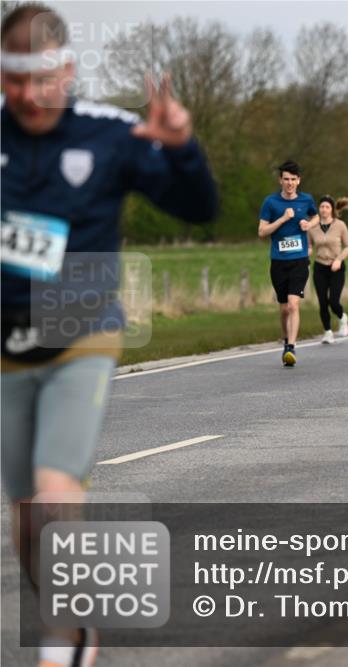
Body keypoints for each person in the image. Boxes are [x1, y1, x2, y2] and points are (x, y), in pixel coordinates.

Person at [1, 5, 218, 665]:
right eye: (16, 81)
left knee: (54, 491)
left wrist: (181, 148)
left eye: (45, 79)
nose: (32, 96)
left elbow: (199, 208)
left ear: (68, 71)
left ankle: (60, 642)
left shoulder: (112, 134)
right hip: (6, 345)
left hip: (81, 332)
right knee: (27, 522)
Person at [258, 160, 317, 367]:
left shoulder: (306, 200)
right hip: (278, 262)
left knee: (293, 305)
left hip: (299, 260)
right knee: (284, 309)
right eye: (286, 179)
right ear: (280, 180)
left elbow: (316, 216)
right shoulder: (271, 203)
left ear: (298, 181)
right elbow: (262, 232)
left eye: (293, 179)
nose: (290, 183)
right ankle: (286, 340)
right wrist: (282, 219)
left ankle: (291, 347)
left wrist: (309, 224)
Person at [307, 196, 348, 344]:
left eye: (327, 207)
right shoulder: (312, 227)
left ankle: (342, 317)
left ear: (332, 209)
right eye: (321, 207)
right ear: (318, 209)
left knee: (333, 301)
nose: (324, 210)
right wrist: (307, 253)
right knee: (322, 301)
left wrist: (339, 259)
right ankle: (327, 332)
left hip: (336, 268)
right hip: (320, 267)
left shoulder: (340, 225)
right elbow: (309, 246)